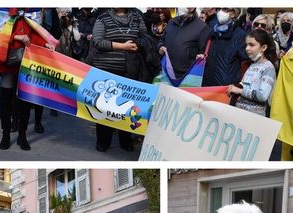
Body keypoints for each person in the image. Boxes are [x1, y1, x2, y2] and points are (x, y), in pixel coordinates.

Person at [0, 8, 55, 151]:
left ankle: (22, 136)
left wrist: (45, 44)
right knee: (5, 102)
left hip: (27, 63)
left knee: (24, 102)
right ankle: (5, 135)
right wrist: (17, 37)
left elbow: (35, 34)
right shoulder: (3, 10)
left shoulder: (32, 13)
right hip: (8, 63)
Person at [88, 8, 146, 152]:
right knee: (104, 106)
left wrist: (138, 44)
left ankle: (125, 140)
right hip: (106, 69)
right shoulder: (103, 18)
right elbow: (98, 42)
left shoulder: (137, 17)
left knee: (127, 106)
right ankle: (103, 141)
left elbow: (145, 37)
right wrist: (123, 46)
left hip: (131, 68)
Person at [227, 27, 276, 117]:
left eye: (251, 45)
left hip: (254, 117)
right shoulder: (251, 64)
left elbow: (262, 95)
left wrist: (239, 91)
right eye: (246, 45)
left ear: (264, 47)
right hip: (239, 114)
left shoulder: (268, 68)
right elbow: (245, 86)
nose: (247, 48)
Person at [158, 7, 210, 81]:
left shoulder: (202, 27)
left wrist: (201, 57)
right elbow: (162, 40)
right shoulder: (171, 22)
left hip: (187, 76)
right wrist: (160, 47)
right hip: (166, 73)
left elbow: (204, 51)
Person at [202, 8, 248, 87]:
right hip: (207, 85)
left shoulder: (240, 35)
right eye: (219, 9)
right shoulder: (211, 31)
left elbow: (246, 62)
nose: (221, 12)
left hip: (226, 88)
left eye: (225, 9)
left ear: (233, 13)